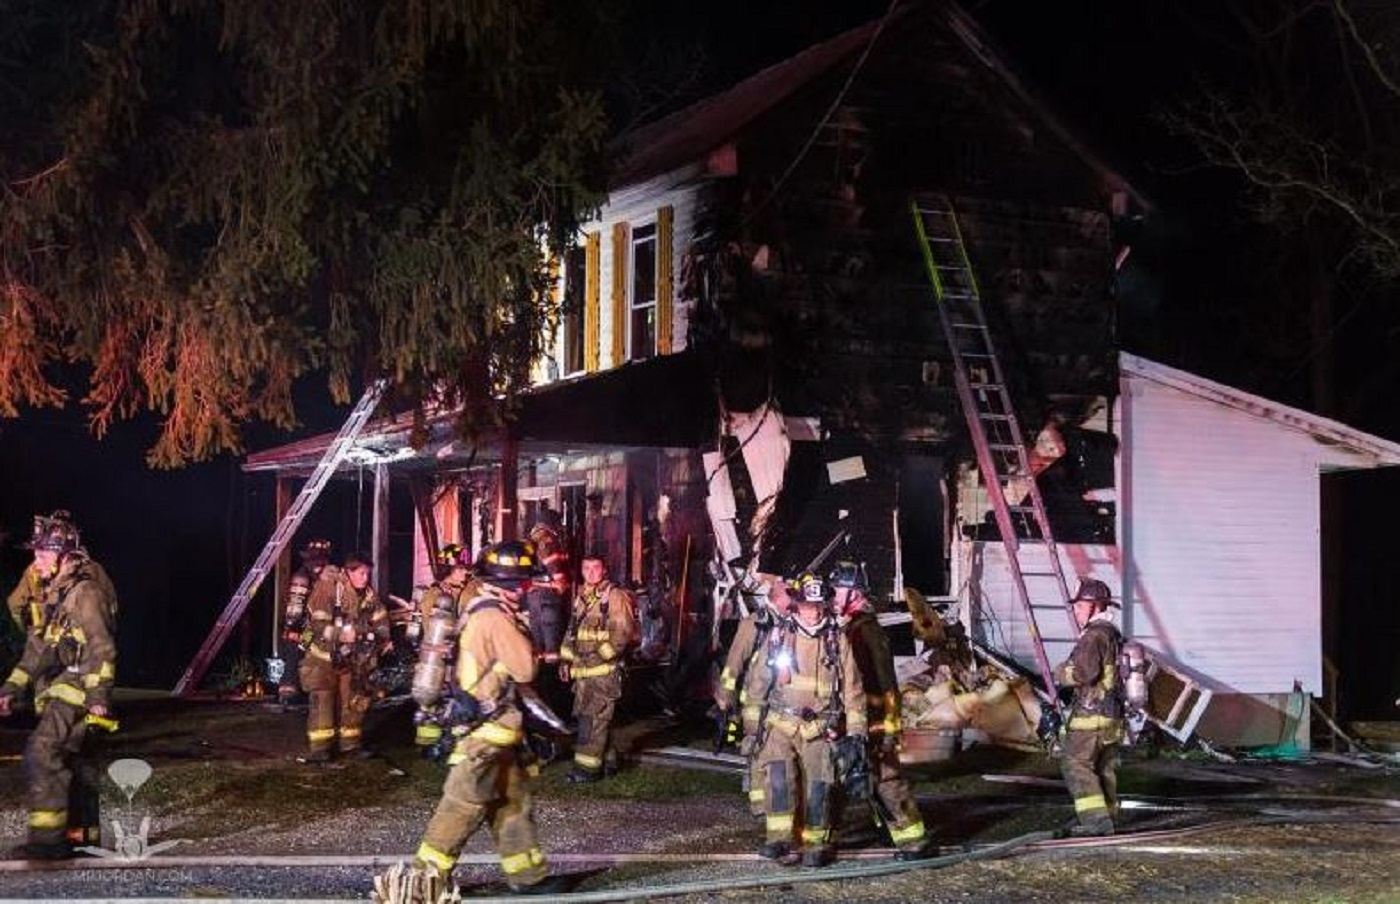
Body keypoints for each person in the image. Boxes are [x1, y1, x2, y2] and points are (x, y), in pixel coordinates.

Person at [390, 539, 565, 896]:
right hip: (485, 735)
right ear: (517, 584)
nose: (528, 589)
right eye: (527, 583)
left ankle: (528, 878)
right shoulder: (496, 617)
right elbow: (525, 668)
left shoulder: (479, 607)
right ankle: (423, 884)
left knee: (512, 803)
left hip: (499, 730)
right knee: (462, 807)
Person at [0, 511, 118, 860]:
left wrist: (99, 698)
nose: (35, 561)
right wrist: (9, 688)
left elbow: (103, 646)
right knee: (73, 760)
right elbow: (36, 653)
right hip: (59, 686)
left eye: (42, 553)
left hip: (79, 687)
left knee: (43, 749)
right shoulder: (52, 594)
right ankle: (81, 836)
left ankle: (47, 841)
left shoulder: (86, 592)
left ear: (64, 554)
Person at [754, 572, 865, 868]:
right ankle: (779, 839)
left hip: (820, 727)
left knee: (819, 786)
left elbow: (853, 687)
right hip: (781, 723)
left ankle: (816, 845)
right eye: (807, 606)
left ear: (824, 605)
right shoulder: (781, 634)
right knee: (778, 781)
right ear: (797, 605)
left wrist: (856, 731)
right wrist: (752, 724)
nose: (813, 612)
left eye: (818, 606)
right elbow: (760, 681)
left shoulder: (836, 639)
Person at [828, 560, 932, 860]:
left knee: (886, 779)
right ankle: (828, 839)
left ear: (853, 593)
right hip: (855, 719)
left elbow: (884, 683)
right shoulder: (849, 628)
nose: (832, 595)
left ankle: (913, 841)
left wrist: (886, 726)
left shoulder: (865, 631)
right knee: (844, 776)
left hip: (873, 721)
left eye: (837, 590)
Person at [298, 552, 390, 762]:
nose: (365, 578)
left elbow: (381, 617)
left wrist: (384, 637)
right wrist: (342, 635)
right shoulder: (328, 588)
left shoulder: (368, 595)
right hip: (322, 656)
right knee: (323, 700)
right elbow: (317, 625)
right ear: (348, 572)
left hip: (350, 658)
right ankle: (320, 749)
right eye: (361, 573)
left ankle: (351, 745)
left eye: (367, 574)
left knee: (354, 699)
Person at [715, 575, 794, 818]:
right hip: (756, 700)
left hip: (783, 701)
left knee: (777, 752)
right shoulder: (755, 624)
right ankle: (759, 804)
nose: (793, 595)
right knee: (758, 749)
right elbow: (734, 661)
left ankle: (773, 801)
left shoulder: (793, 624)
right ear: (775, 596)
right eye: (788, 591)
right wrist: (725, 693)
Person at [1054, 577, 1125, 837]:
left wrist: (1061, 673)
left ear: (1094, 605)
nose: (1076, 610)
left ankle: (1096, 823)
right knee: (1102, 767)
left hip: (1091, 716)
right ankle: (1107, 817)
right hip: (1112, 717)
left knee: (1076, 764)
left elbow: (1084, 674)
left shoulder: (1094, 636)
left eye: (1080, 605)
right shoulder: (1112, 634)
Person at [558, 552, 636, 783]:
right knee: (595, 720)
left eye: (595, 568)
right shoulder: (582, 597)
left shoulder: (615, 597)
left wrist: (593, 660)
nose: (591, 573)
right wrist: (565, 660)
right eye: (586, 568)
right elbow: (572, 633)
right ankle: (609, 761)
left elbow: (621, 637)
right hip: (583, 676)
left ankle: (587, 771)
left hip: (603, 675)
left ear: (604, 571)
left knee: (591, 720)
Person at [411, 543, 478, 752]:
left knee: (457, 693)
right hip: (438, 653)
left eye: (466, 568)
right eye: (459, 568)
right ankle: (428, 740)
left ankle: (455, 739)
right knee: (434, 695)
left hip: (462, 651)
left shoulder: (471, 588)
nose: (464, 572)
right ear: (448, 569)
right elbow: (428, 625)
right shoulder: (436, 593)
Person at [278, 538, 332, 705]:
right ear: (308, 560)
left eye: (322, 559)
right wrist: (294, 629)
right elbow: (294, 611)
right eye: (316, 559)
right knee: (299, 648)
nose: (320, 563)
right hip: (304, 629)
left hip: (322, 626)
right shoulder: (302, 578)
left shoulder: (326, 579)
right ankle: (288, 689)